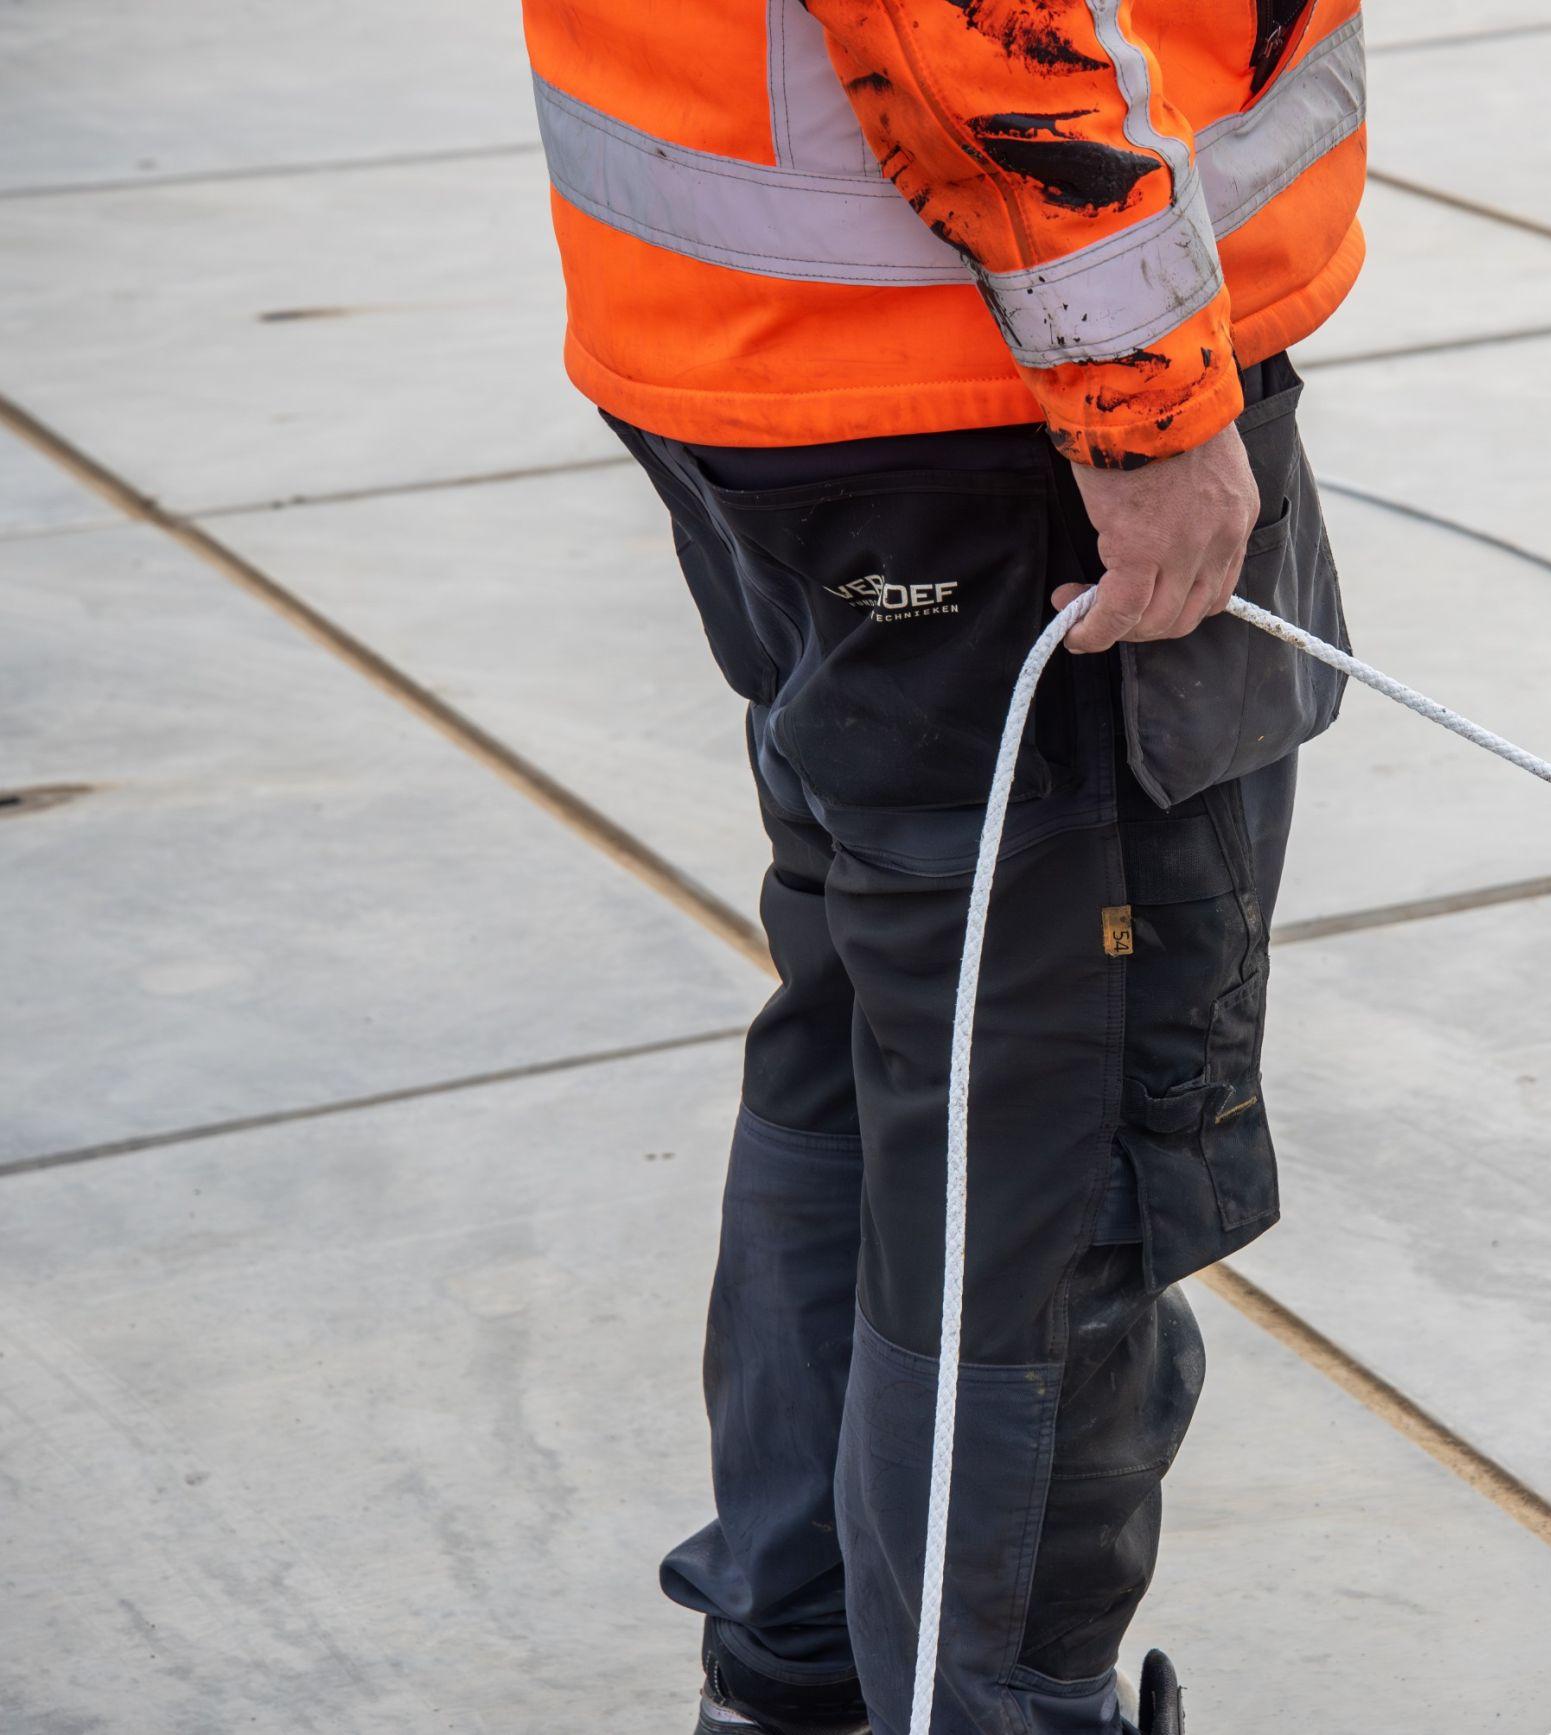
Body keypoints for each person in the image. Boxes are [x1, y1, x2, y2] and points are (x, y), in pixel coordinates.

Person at [518, 4, 1367, 1731]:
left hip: (790, 347)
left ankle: (803, 1677)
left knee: (899, 1047)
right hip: (998, 388)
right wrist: (1143, 402)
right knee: (1047, 1134)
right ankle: (970, 1708)